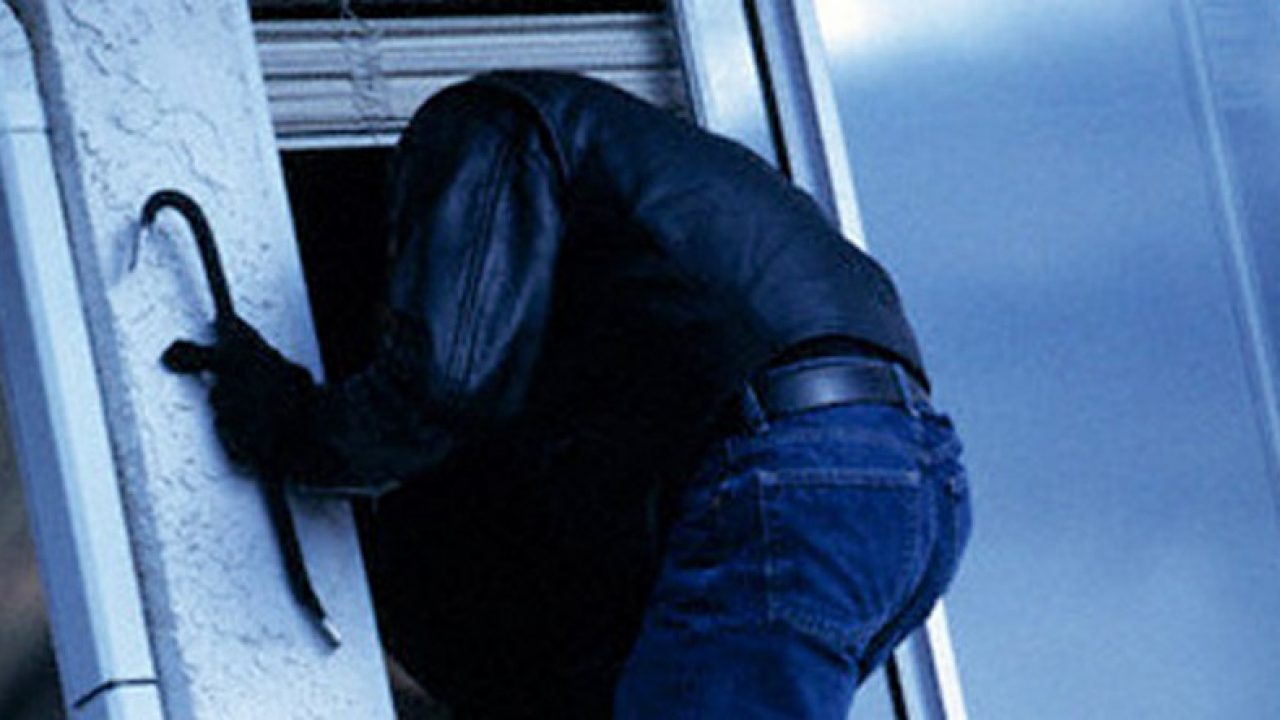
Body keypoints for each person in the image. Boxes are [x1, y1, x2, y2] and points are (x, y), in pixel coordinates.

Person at [164, 70, 971, 719]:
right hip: (908, 490)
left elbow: (445, 384)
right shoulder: (638, 238)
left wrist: (293, 425)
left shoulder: (479, 127)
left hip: (795, 473)